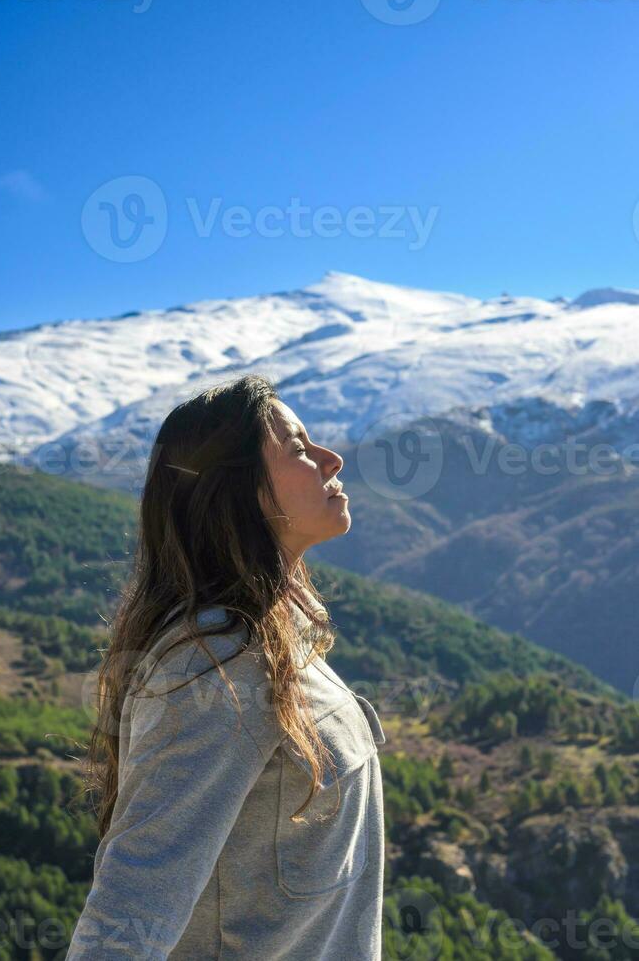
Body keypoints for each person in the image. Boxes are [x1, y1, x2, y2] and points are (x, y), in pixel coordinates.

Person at [66, 373, 386, 960]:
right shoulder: (215, 665)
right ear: (237, 492)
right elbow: (133, 897)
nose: (331, 458)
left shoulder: (271, 638)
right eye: (297, 448)